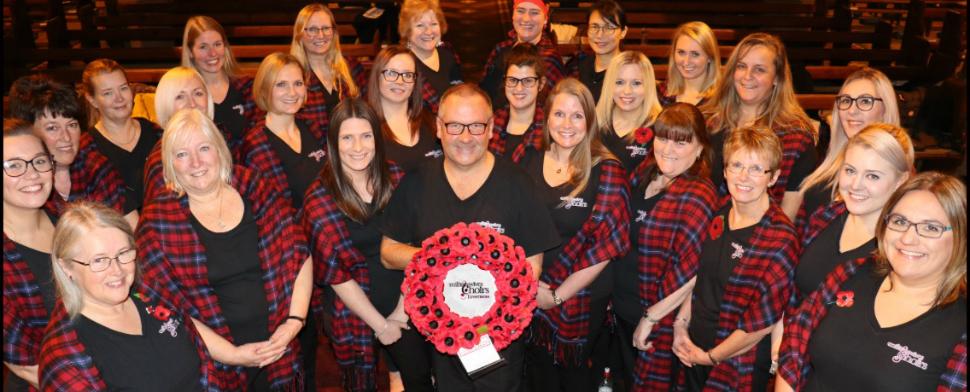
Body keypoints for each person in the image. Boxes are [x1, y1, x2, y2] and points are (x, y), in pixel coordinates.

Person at [379, 83, 560, 391]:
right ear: (438, 128)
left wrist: (488, 311)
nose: (465, 137)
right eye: (454, 126)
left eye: (476, 126)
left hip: (496, 337)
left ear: (491, 129)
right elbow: (387, 252)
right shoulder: (418, 182)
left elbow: (533, 266)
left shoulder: (517, 183)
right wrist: (445, 257)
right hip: (439, 335)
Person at [137, 108, 311, 390]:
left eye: (203, 148)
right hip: (212, 360)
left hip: (280, 344)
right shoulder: (158, 220)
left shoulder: (255, 187)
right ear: (169, 163)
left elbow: (299, 253)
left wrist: (294, 321)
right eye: (181, 154)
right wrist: (232, 355)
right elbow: (166, 308)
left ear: (219, 148)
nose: (195, 163)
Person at [777, 172, 967, 391]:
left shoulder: (960, 326)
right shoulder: (851, 273)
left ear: (960, 237)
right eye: (900, 221)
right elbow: (794, 344)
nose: (907, 238)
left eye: (930, 228)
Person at [303, 98, 434, 392]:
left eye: (366, 136)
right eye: (347, 138)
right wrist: (382, 325)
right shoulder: (319, 199)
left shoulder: (397, 177)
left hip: (407, 296)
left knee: (421, 377)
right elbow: (337, 277)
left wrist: (402, 311)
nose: (358, 147)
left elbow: (417, 245)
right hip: (355, 308)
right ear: (333, 143)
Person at [38, 201, 221, 390]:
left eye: (123, 253)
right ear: (66, 266)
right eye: (99, 260)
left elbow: (203, 364)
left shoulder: (150, 295)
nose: (117, 271)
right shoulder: (64, 358)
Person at [521, 78, 630, 392]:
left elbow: (608, 245)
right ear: (546, 117)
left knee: (573, 377)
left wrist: (556, 296)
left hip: (581, 296)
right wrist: (529, 285)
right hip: (531, 287)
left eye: (577, 115)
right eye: (559, 114)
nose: (566, 124)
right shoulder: (528, 158)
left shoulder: (607, 169)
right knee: (537, 373)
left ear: (589, 122)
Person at [672, 126, 797, 391]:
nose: (743, 176)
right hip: (694, 347)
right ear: (725, 170)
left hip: (737, 363)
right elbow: (701, 280)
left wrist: (711, 357)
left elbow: (760, 325)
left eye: (756, 169)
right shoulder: (719, 212)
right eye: (736, 164)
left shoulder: (780, 238)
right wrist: (681, 326)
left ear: (773, 177)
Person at [614, 103, 718, 391]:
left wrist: (652, 317)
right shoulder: (644, 174)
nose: (668, 149)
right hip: (621, 309)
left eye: (681, 141)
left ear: (699, 148)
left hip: (656, 320)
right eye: (663, 138)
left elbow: (693, 273)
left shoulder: (699, 194)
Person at [700, 33, 817, 220]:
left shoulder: (796, 136)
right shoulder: (709, 123)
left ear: (777, 78)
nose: (747, 76)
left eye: (759, 70)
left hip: (761, 240)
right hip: (703, 231)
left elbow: (788, 213)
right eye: (741, 66)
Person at [793, 123, 913, 304]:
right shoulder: (825, 217)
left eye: (872, 176)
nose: (855, 185)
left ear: (900, 181)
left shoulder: (901, 249)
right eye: (850, 170)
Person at [6, 75, 133, 226]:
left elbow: (129, 228)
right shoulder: (24, 183)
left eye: (72, 125)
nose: (66, 138)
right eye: (52, 128)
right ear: (28, 133)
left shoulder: (95, 168)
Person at [797, 68, 900, 225]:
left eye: (865, 101)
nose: (852, 110)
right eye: (846, 100)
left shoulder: (896, 168)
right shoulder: (829, 158)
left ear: (885, 109)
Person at [3, 119, 57, 391]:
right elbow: (23, 363)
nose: (32, 174)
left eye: (38, 161)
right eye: (13, 165)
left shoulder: (71, 220)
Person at [241, 52, 326, 211]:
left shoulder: (313, 128)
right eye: (281, 84)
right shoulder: (256, 145)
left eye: (298, 83)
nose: (292, 92)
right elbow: (269, 211)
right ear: (265, 89)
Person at [81, 58, 164, 214]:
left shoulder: (156, 133)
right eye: (108, 93)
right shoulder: (86, 149)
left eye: (123, 88)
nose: (119, 98)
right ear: (92, 100)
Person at [182, 15, 260, 154]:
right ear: (190, 52)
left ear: (225, 47)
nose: (212, 53)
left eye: (217, 44)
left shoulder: (248, 87)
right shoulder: (186, 97)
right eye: (203, 47)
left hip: (249, 169)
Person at [144, 66, 217, 201]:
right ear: (165, 105)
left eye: (198, 93)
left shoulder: (222, 141)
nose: (192, 104)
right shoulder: (160, 160)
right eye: (180, 97)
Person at [291, 3, 365, 132]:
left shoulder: (352, 68)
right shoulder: (292, 75)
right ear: (300, 34)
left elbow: (366, 114)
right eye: (312, 29)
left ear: (334, 32)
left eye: (326, 28)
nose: (321, 35)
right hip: (311, 148)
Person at [366, 46, 441, 172]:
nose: (400, 81)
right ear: (377, 76)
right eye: (391, 73)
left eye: (407, 74)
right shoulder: (365, 127)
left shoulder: (432, 122)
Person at [480, 0, 564, 110]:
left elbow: (552, 109)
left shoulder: (549, 59)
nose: (526, 19)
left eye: (534, 12)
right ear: (513, 15)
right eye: (520, 11)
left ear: (545, 18)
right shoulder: (500, 48)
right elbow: (483, 92)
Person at [595, 51, 663, 173]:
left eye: (636, 83)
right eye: (619, 82)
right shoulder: (594, 121)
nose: (627, 91)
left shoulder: (660, 128)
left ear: (648, 86)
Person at [398, 0, 463, 113]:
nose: (428, 31)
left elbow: (459, 90)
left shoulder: (447, 52)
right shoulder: (402, 63)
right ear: (407, 31)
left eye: (433, 24)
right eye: (420, 25)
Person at [488, 43, 546, 163]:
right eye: (513, 80)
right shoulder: (491, 123)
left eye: (528, 81)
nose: (519, 88)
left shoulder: (550, 127)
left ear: (541, 84)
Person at [566, 0, 628, 103]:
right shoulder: (578, 65)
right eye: (594, 27)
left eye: (608, 27)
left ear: (623, 32)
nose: (600, 35)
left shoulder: (629, 71)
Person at [659, 21, 721, 107]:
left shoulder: (721, 99)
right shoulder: (661, 93)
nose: (686, 61)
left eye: (695, 54)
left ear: (709, 57)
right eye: (681, 52)